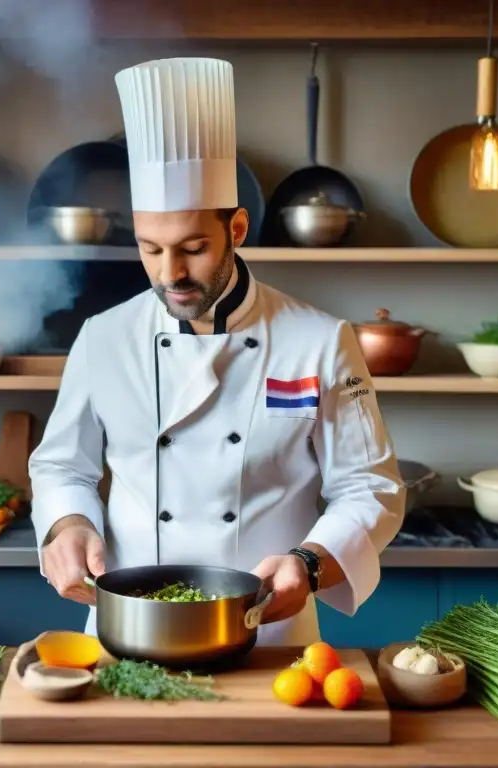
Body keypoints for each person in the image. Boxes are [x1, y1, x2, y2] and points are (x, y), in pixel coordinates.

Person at [29, 57, 404, 646]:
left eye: (193, 247)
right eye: (150, 249)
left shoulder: (320, 341)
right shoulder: (103, 338)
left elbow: (370, 488)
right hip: (127, 628)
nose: (170, 273)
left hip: (267, 631)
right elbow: (61, 466)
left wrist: (308, 564)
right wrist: (68, 523)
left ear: (236, 229)